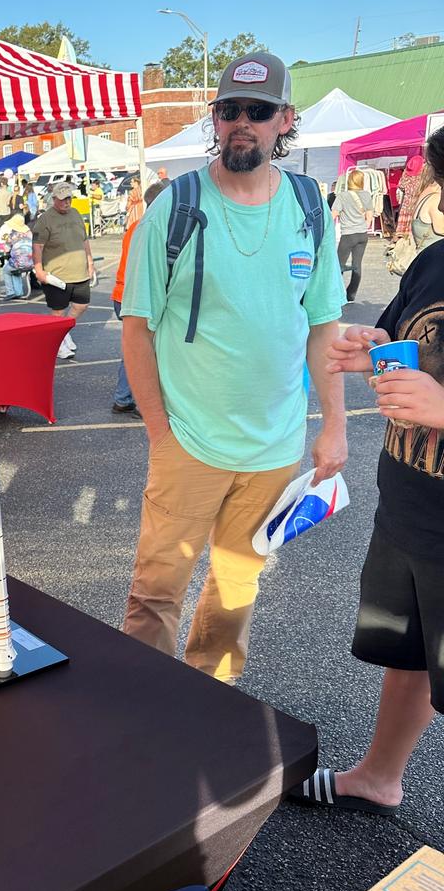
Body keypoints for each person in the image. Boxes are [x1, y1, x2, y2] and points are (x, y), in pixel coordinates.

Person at [120, 51, 347, 684]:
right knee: (156, 593)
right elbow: (136, 330)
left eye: (258, 111)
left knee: (235, 589)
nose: (240, 123)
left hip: (275, 447)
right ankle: (139, 708)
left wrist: (333, 424)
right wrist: (161, 434)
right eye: (228, 111)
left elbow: (323, 323)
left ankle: (209, 710)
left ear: (285, 121)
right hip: (189, 442)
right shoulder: (176, 208)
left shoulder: (310, 207)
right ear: (214, 120)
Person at [292, 126, 444, 816]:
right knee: (408, 654)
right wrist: (374, 350)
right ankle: (380, 777)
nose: (425, 194)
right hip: (410, 506)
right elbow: (405, 342)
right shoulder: (435, 260)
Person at [110, 181, 166, 414]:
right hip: (137, 296)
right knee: (145, 350)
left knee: (135, 347)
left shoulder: (136, 226)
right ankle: (140, 402)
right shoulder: (154, 227)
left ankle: (124, 397)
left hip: (123, 294)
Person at [32, 178, 95, 362]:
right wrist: (39, 270)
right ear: (54, 199)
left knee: (82, 305)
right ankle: (59, 344)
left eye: (69, 198)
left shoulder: (75, 214)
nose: (67, 202)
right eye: (63, 199)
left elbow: (84, 240)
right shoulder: (45, 220)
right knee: (58, 312)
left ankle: (64, 333)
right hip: (57, 274)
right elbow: (37, 246)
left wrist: (90, 262)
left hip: (79, 272)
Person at [333, 168, 373, 302]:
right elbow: (369, 217)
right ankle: (351, 294)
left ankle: (337, 294)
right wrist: (361, 225)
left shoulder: (342, 196)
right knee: (357, 264)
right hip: (362, 235)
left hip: (348, 235)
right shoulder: (367, 195)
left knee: (339, 265)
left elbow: (333, 214)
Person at [0, 212, 34, 299]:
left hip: (19, 263)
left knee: (6, 269)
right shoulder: (30, 234)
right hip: (31, 263)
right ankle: (19, 292)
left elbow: (6, 249)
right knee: (14, 270)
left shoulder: (13, 235)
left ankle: (10, 292)